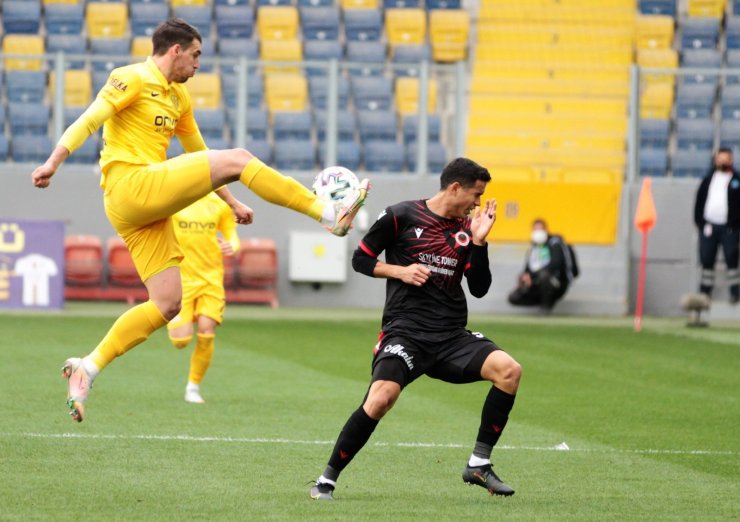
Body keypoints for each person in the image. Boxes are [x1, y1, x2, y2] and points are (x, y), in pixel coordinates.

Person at [30, 18, 369, 422]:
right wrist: (54, 161)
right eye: (195, 56)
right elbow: (90, 118)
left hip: (145, 210)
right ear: (175, 50)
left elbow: (199, 152)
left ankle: (87, 366)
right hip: (130, 185)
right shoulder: (131, 77)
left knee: (168, 303)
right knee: (240, 157)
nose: (197, 65)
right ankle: (328, 213)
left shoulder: (178, 98)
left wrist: (230, 202)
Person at [308, 158, 522, 501]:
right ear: (455, 188)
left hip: (452, 337)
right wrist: (401, 271)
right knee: (381, 398)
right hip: (405, 333)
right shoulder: (401, 215)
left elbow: (479, 288)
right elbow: (360, 260)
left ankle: (479, 464)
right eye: (476, 194)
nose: (478, 203)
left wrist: (480, 243)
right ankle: (326, 481)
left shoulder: (467, 229)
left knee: (509, 371)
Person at [167, 191, 240, 404]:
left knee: (207, 331)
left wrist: (232, 246)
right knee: (181, 341)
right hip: (182, 280)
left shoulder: (220, 204)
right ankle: (179, 317)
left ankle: (193, 387)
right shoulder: (177, 199)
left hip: (211, 280)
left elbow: (232, 235)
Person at [693, 147, 740, 303]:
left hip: (729, 228)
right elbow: (699, 203)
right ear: (715, 160)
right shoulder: (708, 180)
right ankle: (705, 293)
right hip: (709, 227)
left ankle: (735, 294)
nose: (723, 162)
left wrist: (735, 223)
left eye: (726, 159)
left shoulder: (736, 180)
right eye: (721, 158)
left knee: (732, 259)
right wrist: (701, 223)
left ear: (731, 160)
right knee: (707, 259)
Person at [507, 218, 576, 310]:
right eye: (535, 230)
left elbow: (555, 264)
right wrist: (524, 277)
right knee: (513, 297)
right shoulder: (533, 248)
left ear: (546, 230)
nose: (538, 232)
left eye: (540, 229)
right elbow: (527, 268)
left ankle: (546, 307)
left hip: (556, 282)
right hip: (536, 283)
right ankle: (542, 302)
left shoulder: (555, 244)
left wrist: (532, 275)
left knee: (544, 275)